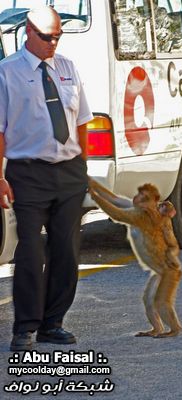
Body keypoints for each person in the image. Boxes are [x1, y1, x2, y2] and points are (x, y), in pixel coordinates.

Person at [0, 6, 93, 351]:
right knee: (29, 251)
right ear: (28, 31)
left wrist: (83, 166)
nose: (52, 43)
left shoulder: (68, 68)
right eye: (45, 37)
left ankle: (53, 323)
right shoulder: (7, 73)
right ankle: (24, 328)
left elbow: (81, 118)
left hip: (69, 171)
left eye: (57, 36)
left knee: (67, 250)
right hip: (27, 172)